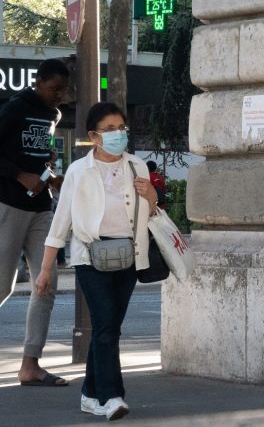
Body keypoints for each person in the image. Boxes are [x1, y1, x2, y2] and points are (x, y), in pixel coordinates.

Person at [36, 102, 158, 420]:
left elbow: (150, 216)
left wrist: (152, 197)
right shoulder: (79, 171)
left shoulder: (138, 167)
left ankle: (90, 394)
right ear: (93, 136)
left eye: (121, 127)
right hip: (90, 257)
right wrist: (46, 269)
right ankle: (111, 396)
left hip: (129, 256)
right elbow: (60, 223)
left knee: (109, 327)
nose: (118, 134)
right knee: (105, 324)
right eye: (109, 129)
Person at [0, 58, 69, 387]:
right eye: (54, 89)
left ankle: (30, 365)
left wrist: (51, 177)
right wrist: (19, 175)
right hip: (8, 205)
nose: (59, 95)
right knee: (3, 285)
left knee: (46, 282)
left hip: (42, 208)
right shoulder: (15, 109)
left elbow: (41, 157)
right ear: (38, 83)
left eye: (63, 90)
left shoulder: (53, 115)